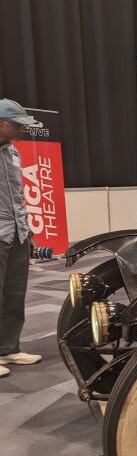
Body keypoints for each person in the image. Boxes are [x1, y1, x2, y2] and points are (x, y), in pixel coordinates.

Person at [0, 99, 44, 377]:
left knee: (14, 294)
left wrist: (28, 232)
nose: (22, 130)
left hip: (16, 233)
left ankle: (8, 348)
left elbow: (18, 196)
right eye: (17, 125)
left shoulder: (14, 154)